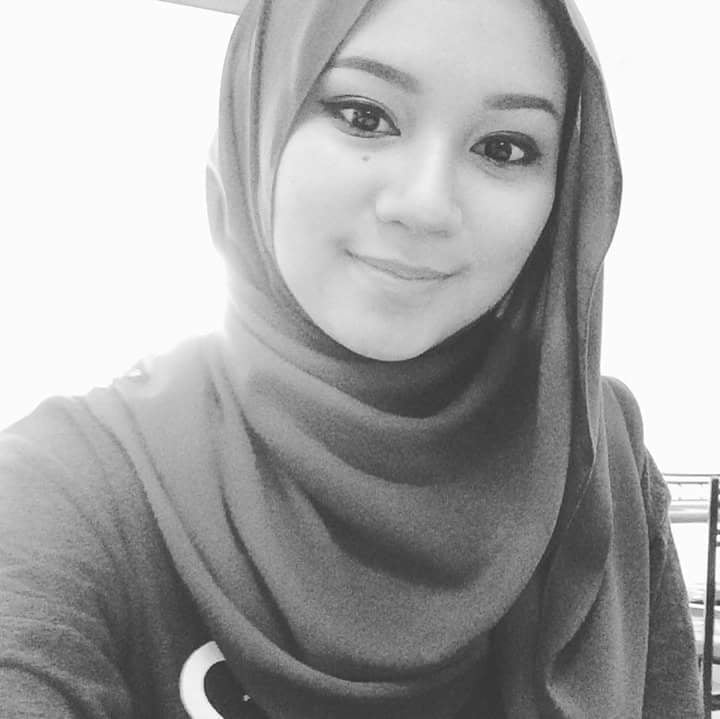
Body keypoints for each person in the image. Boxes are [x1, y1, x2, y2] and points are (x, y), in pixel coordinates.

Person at [0, 0, 704, 716]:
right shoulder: (65, 484)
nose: (425, 205)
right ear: (259, 119)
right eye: (364, 115)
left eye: (503, 148)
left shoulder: (596, 461)